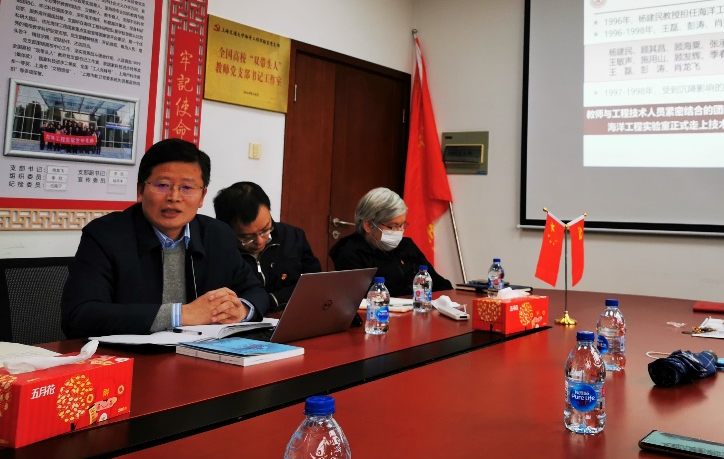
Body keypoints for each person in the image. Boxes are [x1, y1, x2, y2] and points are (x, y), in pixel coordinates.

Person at [61, 138, 270, 338]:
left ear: (202, 196)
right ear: (140, 190)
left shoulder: (218, 235)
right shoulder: (104, 236)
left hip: (203, 355)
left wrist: (241, 310)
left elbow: (255, 291)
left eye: (187, 188)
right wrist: (182, 315)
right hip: (131, 357)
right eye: (162, 185)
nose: (174, 197)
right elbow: (79, 316)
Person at [213, 181, 322, 311]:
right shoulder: (218, 251)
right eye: (247, 237)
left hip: (293, 314)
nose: (259, 241)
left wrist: (269, 301)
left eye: (265, 230)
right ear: (226, 229)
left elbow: (315, 283)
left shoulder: (293, 237)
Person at [328, 187, 453, 297]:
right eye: (392, 226)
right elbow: (362, 299)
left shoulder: (406, 246)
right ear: (369, 225)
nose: (398, 231)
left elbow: (439, 284)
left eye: (401, 225)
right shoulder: (349, 252)